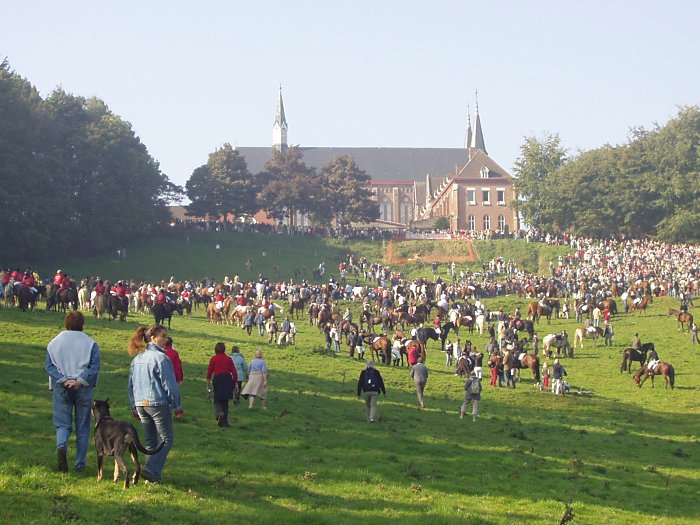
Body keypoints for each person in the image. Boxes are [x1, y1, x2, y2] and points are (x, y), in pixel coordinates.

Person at [45, 311, 100, 472]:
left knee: (62, 423)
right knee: (82, 426)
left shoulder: (55, 342)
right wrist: (79, 381)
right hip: (83, 387)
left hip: (61, 386)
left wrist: (63, 380)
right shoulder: (90, 343)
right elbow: (94, 367)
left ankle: (61, 445)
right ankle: (80, 463)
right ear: (82, 324)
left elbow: (49, 366)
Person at [127, 324, 181, 483]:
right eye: (163, 336)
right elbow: (170, 385)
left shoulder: (137, 358)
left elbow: (131, 384)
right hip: (157, 402)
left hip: (141, 403)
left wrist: (134, 405)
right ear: (152, 338)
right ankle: (151, 470)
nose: (166, 339)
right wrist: (177, 405)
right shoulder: (161, 358)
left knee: (150, 442)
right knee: (166, 439)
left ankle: (149, 476)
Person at [206, 342, 238, 428]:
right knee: (225, 401)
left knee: (217, 399)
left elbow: (209, 372)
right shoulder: (228, 359)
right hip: (227, 379)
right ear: (224, 350)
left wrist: (208, 385)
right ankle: (225, 422)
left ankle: (219, 413)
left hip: (218, 379)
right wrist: (235, 384)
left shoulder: (213, 359)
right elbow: (234, 372)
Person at [163, 337, 184, 420]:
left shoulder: (160, 353)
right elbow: (178, 367)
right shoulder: (174, 353)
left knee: (164, 395)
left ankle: (168, 412)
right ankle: (178, 411)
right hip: (173, 377)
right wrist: (180, 379)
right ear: (171, 344)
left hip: (162, 377)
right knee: (175, 394)